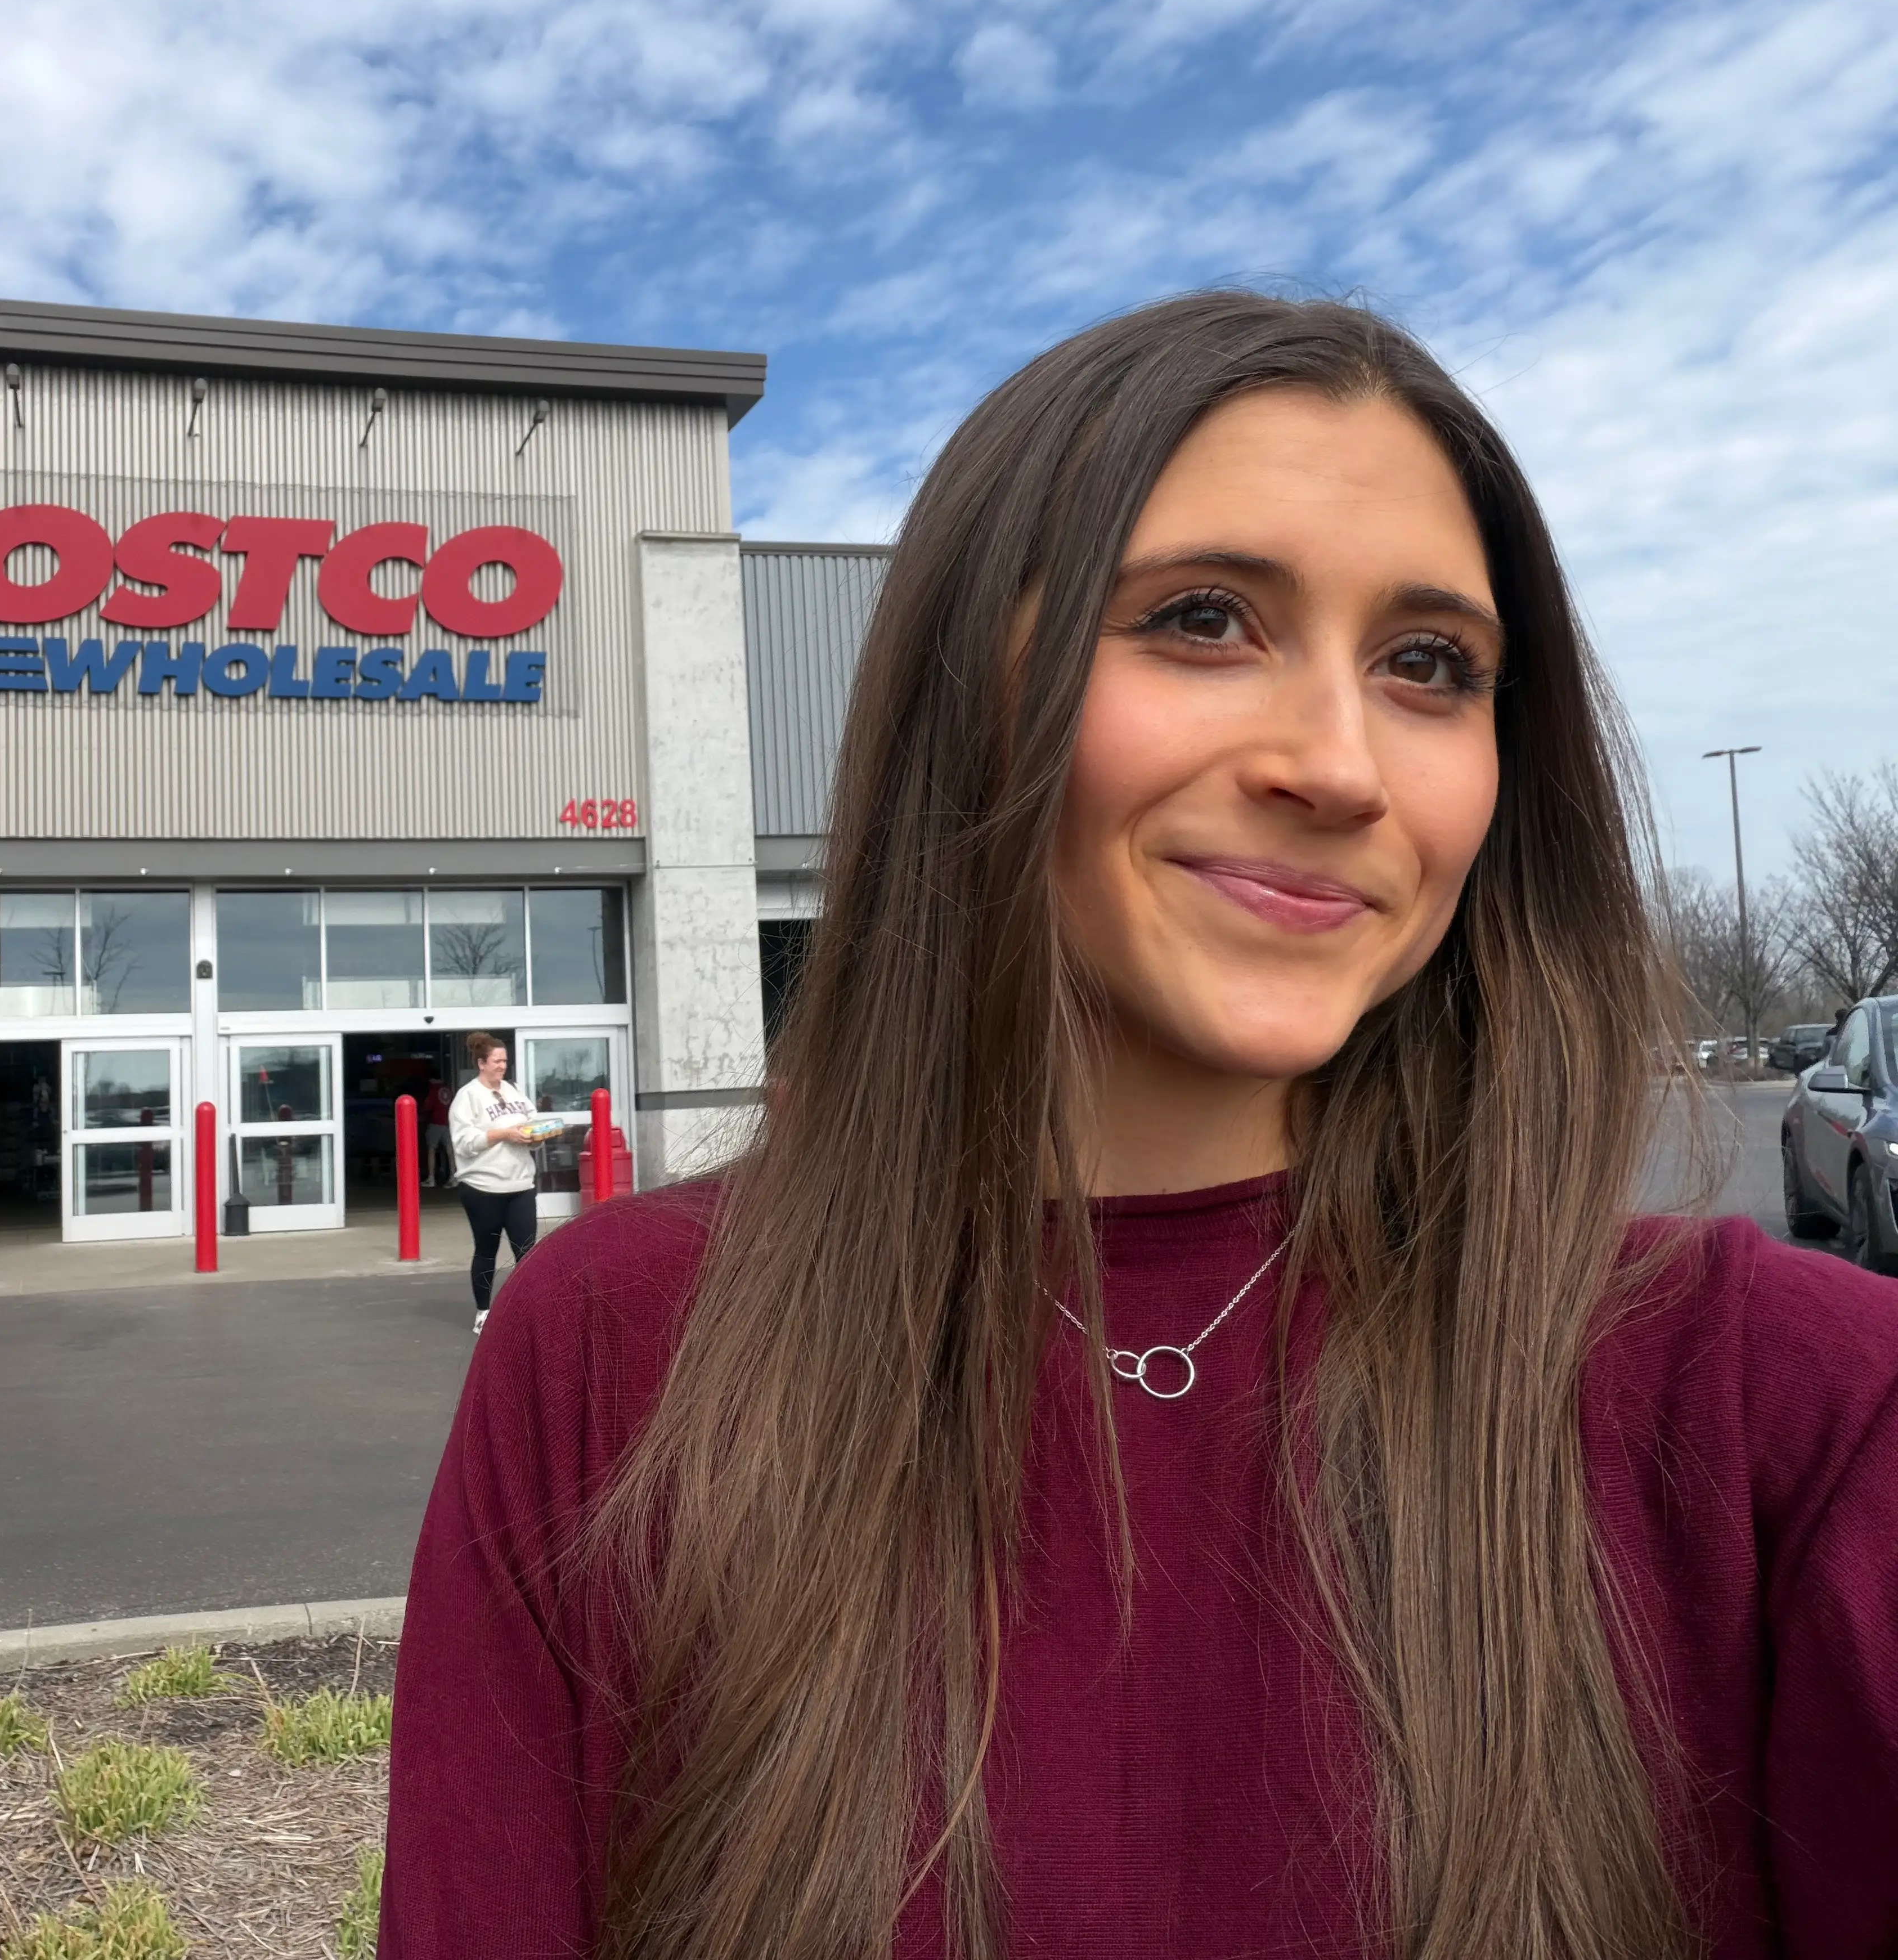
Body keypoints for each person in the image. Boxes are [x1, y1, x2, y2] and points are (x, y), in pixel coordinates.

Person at [383, 294, 1898, 1958]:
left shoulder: (1795, 1414)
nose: (1340, 766)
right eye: (1202, 619)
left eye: (1428, 664)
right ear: (970, 694)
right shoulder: (616, 1361)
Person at [448, 1033, 539, 1334]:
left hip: (521, 1185)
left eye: (505, 1061)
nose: (502, 1066)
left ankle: (526, 1312)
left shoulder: (514, 1091)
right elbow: (464, 1143)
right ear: (481, 1063)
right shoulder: (468, 1097)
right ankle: (484, 1312)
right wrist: (504, 1134)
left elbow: (532, 1122)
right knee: (487, 1251)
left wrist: (537, 1136)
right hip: (482, 1188)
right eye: (497, 1061)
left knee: (527, 1253)